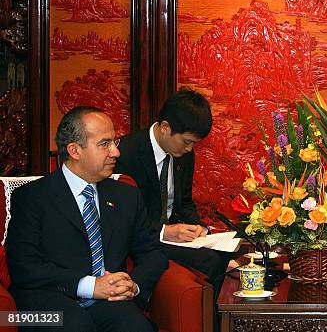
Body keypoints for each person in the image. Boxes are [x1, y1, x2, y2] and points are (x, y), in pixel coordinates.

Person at [6, 106, 168, 332]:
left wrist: (133, 286)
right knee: (74, 325)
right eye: (105, 144)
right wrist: (91, 286)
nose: (116, 153)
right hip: (42, 305)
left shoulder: (127, 196)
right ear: (74, 150)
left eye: (115, 143)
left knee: (135, 326)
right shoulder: (32, 197)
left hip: (108, 302)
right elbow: (25, 268)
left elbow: (152, 252)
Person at [114, 88, 229, 287]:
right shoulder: (125, 154)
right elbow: (122, 218)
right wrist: (163, 231)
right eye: (187, 142)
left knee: (226, 253)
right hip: (140, 239)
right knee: (210, 261)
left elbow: (184, 202)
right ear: (166, 127)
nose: (189, 149)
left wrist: (199, 227)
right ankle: (213, 319)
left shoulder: (184, 155)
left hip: (173, 234)